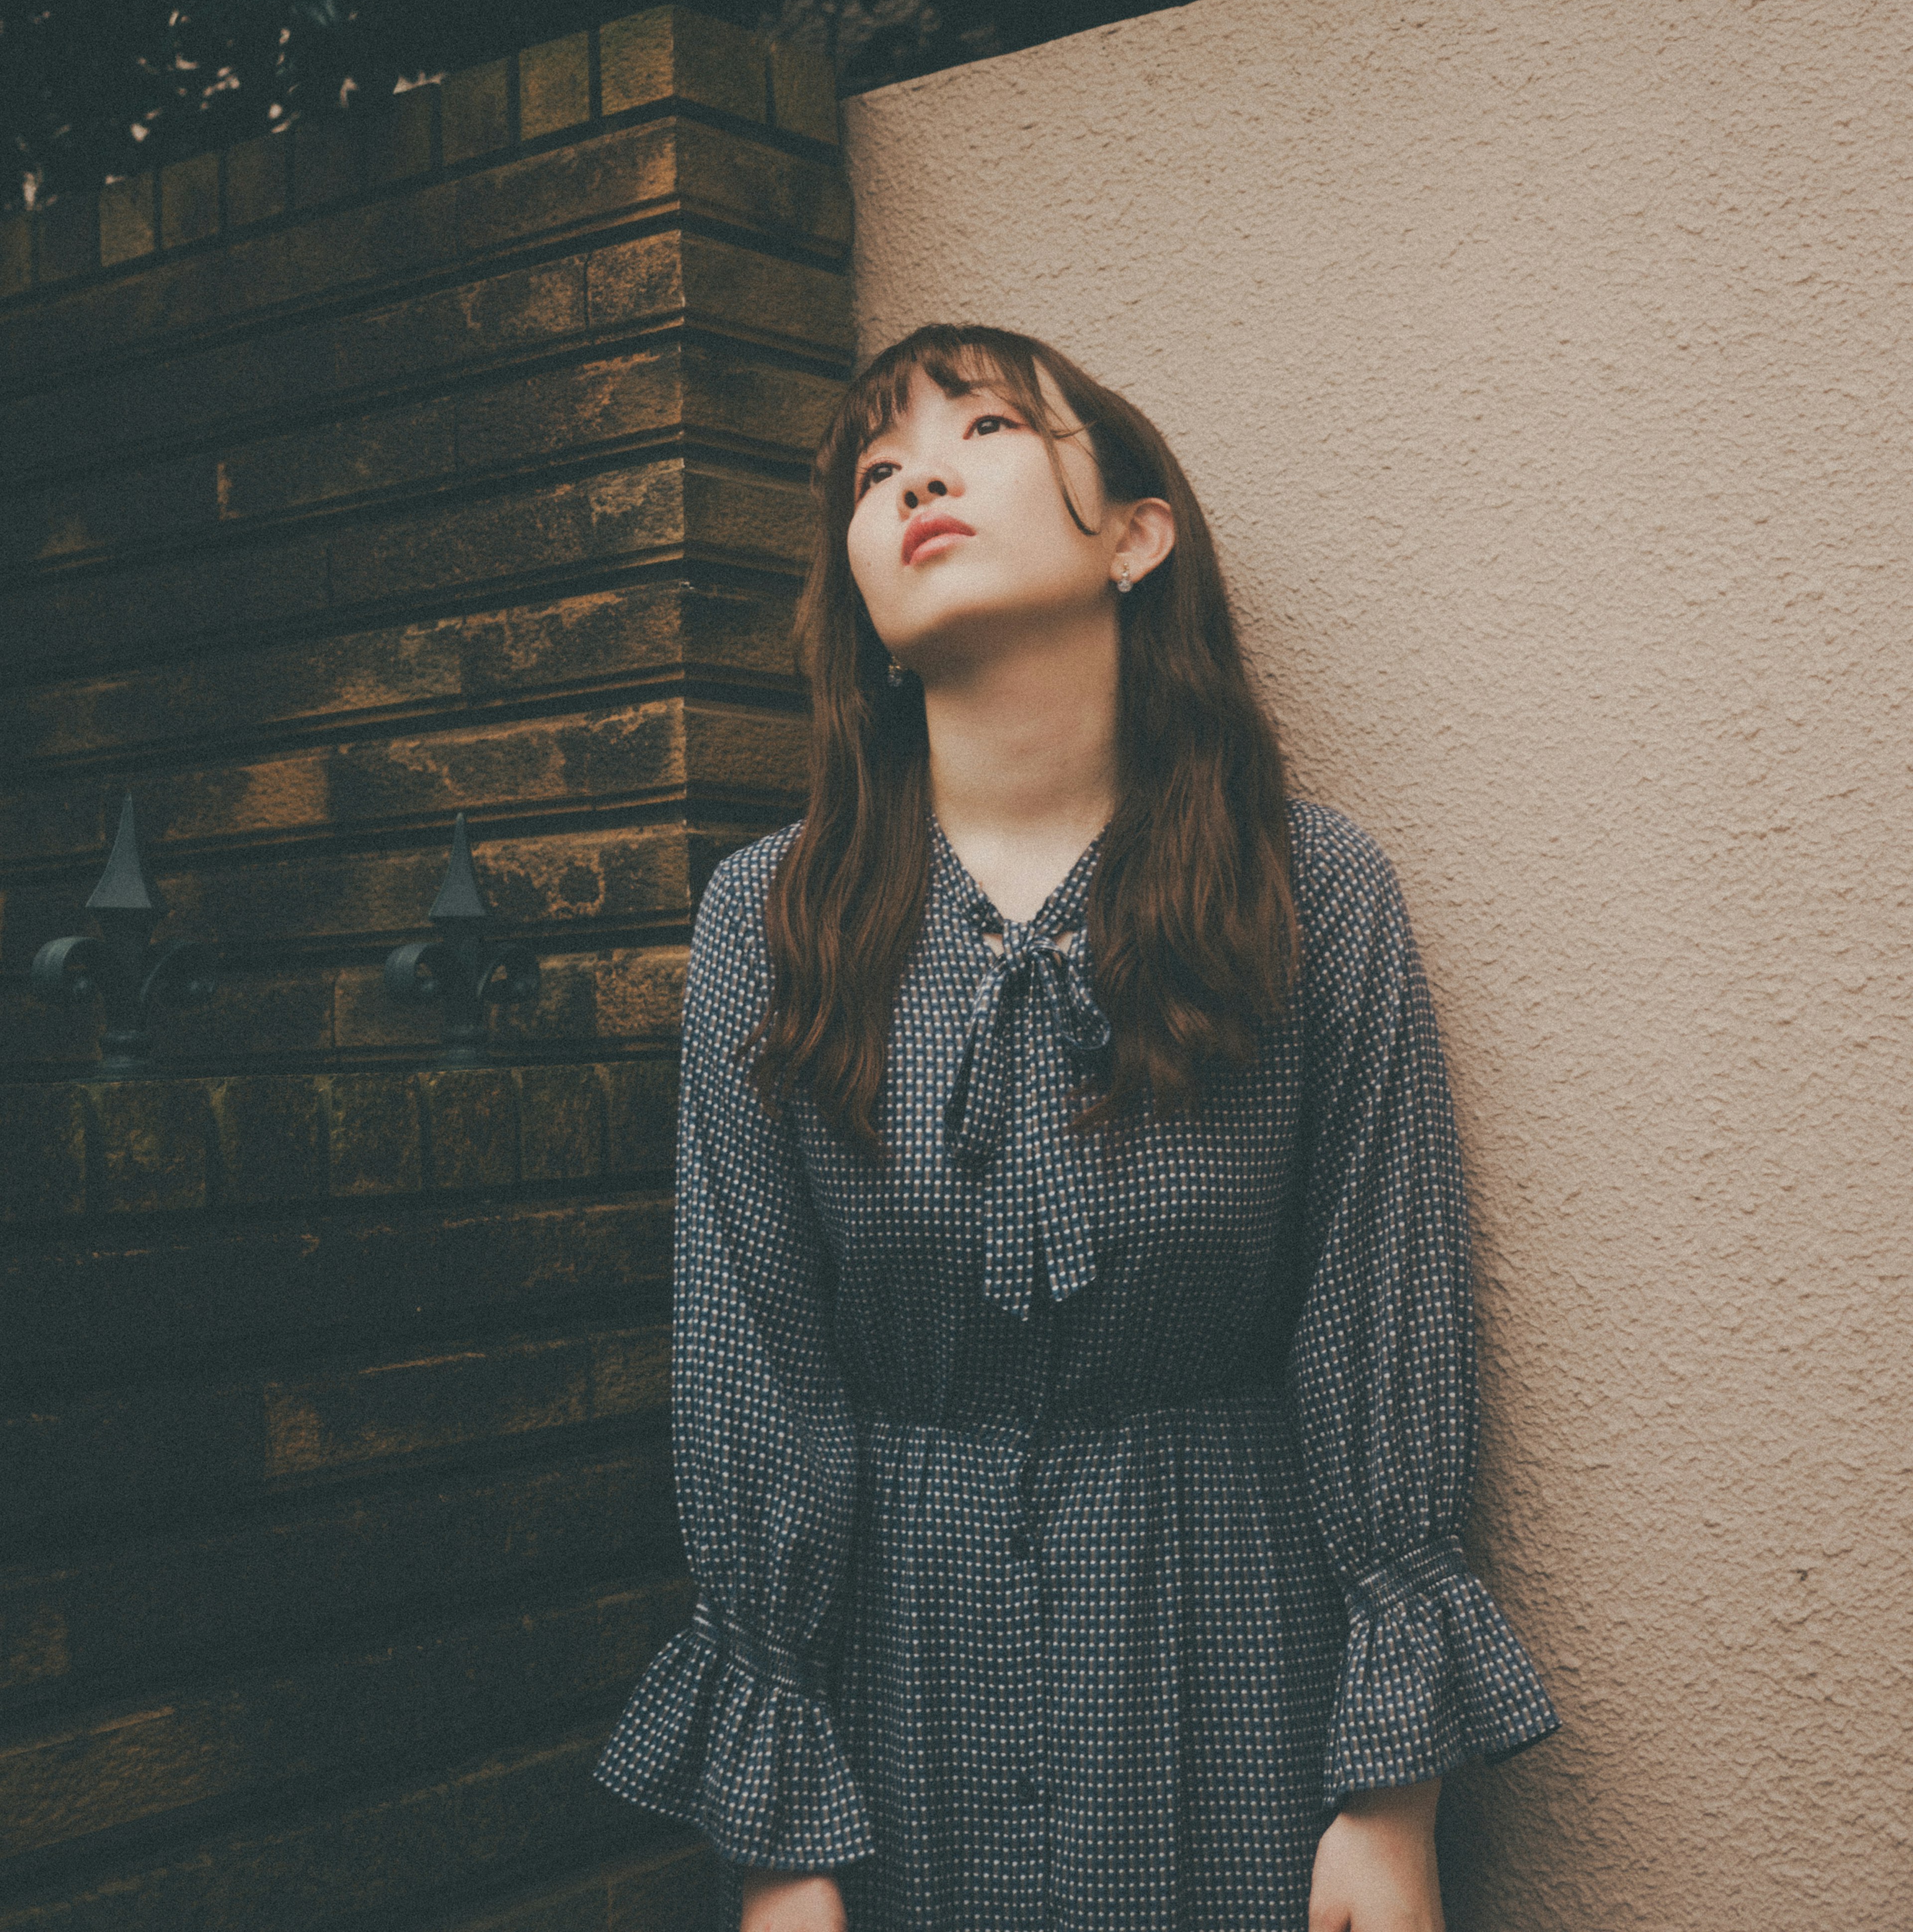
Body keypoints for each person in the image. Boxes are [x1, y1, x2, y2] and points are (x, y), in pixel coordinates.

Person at [594, 323, 1558, 1930]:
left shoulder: (1310, 896)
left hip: (1243, 1684)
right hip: (895, 1715)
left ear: (1136, 532)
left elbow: (1379, 1332)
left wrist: (1389, 1808)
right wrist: (782, 1858)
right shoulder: (771, 922)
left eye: (977, 427)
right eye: (874, 468)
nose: (915, 474)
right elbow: (752, 1367)